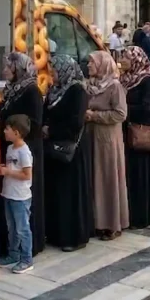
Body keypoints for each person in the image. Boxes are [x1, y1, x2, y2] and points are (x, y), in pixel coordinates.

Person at [0, 52, 45, 257]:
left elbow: (34, 124)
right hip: (9, 148)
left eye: (8, 66)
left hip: (26, 150)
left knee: (22, 202)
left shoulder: (31, 91)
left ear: (18, 69)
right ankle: (10, 246)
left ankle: (26, 248)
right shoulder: (11, 91)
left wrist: (9, 126)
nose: (4, 70)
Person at [43, 55, 92, 252]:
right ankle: (56, 233)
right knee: (56, 193)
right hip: (54, 149)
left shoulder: (77, 90)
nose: (52, 74)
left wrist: (51, 130)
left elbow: (75, 122)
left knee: (70, 194)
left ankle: (73, 236)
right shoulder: (54, 90)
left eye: (54, 70)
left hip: (71, 150)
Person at [85, 51, 129, 240]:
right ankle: (97, 221)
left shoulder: (114, 86)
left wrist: (95, 116)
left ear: (102, 65)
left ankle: (112, 223)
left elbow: (120, 114)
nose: (88, 66)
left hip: (108, 139)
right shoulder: (90, 86)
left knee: (108, 179)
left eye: (92, 63)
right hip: (92, 136)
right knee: (95, 179)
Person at [119, 46, 150, 229]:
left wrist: (123, 109)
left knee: (140, 175)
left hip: (139, 133)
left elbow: (146, 108)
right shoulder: (123, 79)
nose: (122, 60)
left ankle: (142, 215)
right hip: (125, 133)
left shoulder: (146, 80)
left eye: (126, 57)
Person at [0, 115, 35, 274]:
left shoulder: (24, 152)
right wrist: (3, 169)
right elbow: (13, 167)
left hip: (20, 197)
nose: (4, 131)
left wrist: (8, 172)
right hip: (9, 194)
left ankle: (27, 259)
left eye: (7, 129)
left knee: (22, 228)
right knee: (11, 227)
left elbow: (27, 175)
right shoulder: (11, 148)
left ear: (17, 132)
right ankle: (13, 254)